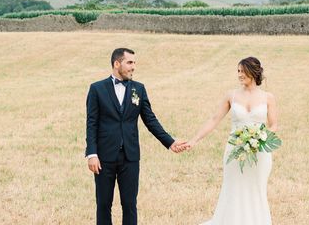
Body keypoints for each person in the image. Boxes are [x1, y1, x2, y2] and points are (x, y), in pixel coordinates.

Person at [85, 47, 187, 225]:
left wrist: (170, 142)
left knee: (130, 204)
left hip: (130, 157)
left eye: (134, 63)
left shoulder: (138, 89)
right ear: (117, 64)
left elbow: (150, 120)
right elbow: (91, 123)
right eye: (129, 62)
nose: (133, 67)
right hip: (104, 157)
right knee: (103, 204)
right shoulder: (97, 89)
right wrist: (92, 154)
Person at [187, 57, 278, 225]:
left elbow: (273, 126)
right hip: (235, 151)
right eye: (238, 71)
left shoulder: (268, 97)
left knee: (256, 189)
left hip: (260, 152)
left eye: (242, 71)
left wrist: (259, 138)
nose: (239, 75)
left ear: (254, 72)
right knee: (234, 188)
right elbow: (214, 119)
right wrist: (194, 140)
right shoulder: (232, 95)